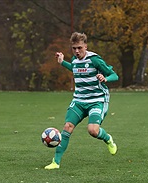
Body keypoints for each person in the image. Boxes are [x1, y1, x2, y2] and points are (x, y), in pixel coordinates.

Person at [44, 32, 119, 170]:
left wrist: (105, 78)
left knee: (92, 130)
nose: (77, 51)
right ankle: (56, 162)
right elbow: (75, 68)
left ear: (86, 46)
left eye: (79, 48)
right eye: (74, 48)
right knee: (67, 128)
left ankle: (108, 139)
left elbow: (114, 75)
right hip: (79, 100)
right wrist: (62, 62)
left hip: (97, 100)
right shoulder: (74, 60)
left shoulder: (95, 60)